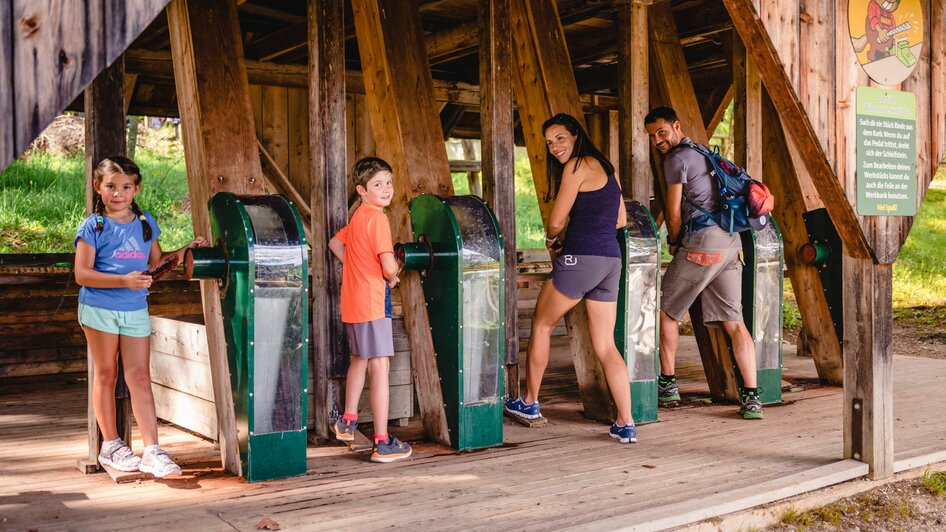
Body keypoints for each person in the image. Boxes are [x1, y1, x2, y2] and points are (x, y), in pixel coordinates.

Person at [504, 113, 637, 444]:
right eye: (549, 142)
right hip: (610, 261)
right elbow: (620, 219)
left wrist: (553, 239)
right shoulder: (606, 168)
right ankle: (625, 422)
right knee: (605, 344)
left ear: (576, 135)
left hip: (582, 258)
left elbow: (555, 220)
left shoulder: (575, 167)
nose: (554, 146)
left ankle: (530, 403)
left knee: (542, 325)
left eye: (560, 138)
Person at [74, 156, 208, 478]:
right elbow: (81, 274)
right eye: (110, 187)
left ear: (136, 189)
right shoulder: (94, 226)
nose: (117, 193)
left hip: (135, 308)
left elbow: (156, 264)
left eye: (124, 187)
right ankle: (111, 445)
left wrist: (186, 248)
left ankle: (152, 451)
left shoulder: (145, 222)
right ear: (98, 188)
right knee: (106, 373)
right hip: (99, 309)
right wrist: (122, 281)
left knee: (140, 377)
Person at [643, 106, 762, 420]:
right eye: (652, 136)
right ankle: (751, 397)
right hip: (730, 243)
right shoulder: (703, 152)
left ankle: (667, 383)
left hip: (702, 245)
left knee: (665, 311)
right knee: (735, 323)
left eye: (662, 132)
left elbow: (673, 213)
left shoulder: (675, 160)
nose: (657, 140)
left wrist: (672, 239)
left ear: (676, 126)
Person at [329, 157, 413, 463]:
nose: (386, 189)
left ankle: (348, 420)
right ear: (361, 190)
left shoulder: (358, 217)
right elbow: (389, 264)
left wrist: (357, 268)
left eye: (389, 182)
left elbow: (334, 244)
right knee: (380, 368)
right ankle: (381, 442)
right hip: (373, 300)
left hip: (353, 299)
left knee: (359, 359)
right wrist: (393, 274)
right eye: (378, 184)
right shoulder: (378, 219)